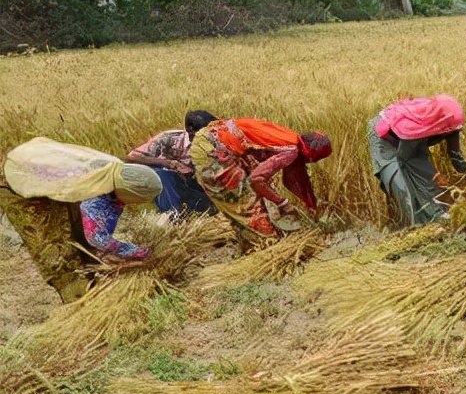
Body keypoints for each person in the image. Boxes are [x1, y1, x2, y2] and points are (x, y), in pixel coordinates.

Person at [0, 137, 162, 302]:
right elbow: (97, 237)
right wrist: (137, 251)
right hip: (21, 177)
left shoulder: (117, 173)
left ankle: (93, 283)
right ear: (128, 193)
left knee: (78, 235)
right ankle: (80, 301)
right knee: (57, 255)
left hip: (53, 175)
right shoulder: (96, 192)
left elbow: (101, 225)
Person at [190, 115, 331, 247]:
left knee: (250, 205)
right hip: (212, 151)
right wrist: (283, 203)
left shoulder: (291, 139)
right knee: (252, 212)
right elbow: (256, 180)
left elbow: (295, 179)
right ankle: (263, 249)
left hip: (209, 137)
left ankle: (247, 245)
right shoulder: (292, 151)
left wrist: (312, 206)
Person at [368, 95, 466, 227]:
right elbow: (406, 158)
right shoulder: (415, 126)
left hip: (413, 142)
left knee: (430, 185)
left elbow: (456, 157)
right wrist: (434, 174)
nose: (455, 132)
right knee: (403, 188)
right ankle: (413, 228)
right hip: (385, 139)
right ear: (440, 122)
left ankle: (435, 220)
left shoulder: (452, 123)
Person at [126, 110, 217, 217]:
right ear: (191, 130)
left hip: (199, 188)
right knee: (161, 175)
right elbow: (131, 157)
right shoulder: (170, 139)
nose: (213, 134)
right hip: (171, 183)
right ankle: (171, 216)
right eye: (207, 131)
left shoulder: (217, 144)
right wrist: (166, 163)